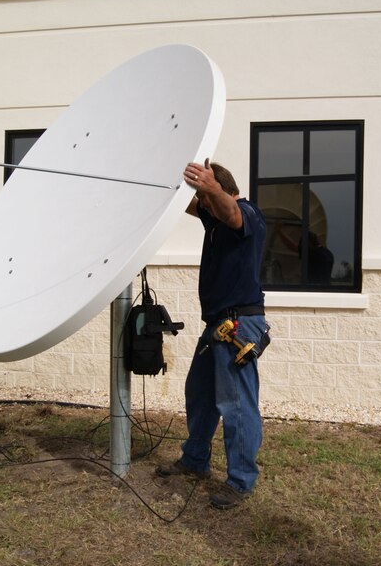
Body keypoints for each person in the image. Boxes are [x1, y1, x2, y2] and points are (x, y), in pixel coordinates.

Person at [155, 158, 268, 510]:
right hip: (217, 325)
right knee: (201, 393)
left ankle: (241, 480)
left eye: (208, 199)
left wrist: (211, 189)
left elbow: (230, 212)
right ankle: (195, 459)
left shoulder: (246, 214)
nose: (203, 207)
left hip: (236, 325)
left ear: (224, 190)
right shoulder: (213, 217)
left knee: (235, 404)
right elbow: (187, 204)